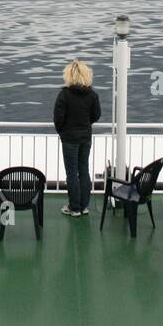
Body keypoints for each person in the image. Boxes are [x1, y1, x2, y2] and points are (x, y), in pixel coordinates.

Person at [53, 59, 101, 217]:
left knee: (72, 173)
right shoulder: (92, 95)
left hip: (69, 140)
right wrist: (85, 124)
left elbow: (58, 119)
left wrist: (63, 132)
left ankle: (74, 208)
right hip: (85, 138)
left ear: (69, 75)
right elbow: (96, 115)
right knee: (84, 170)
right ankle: (84, 206)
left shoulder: (64, 95)